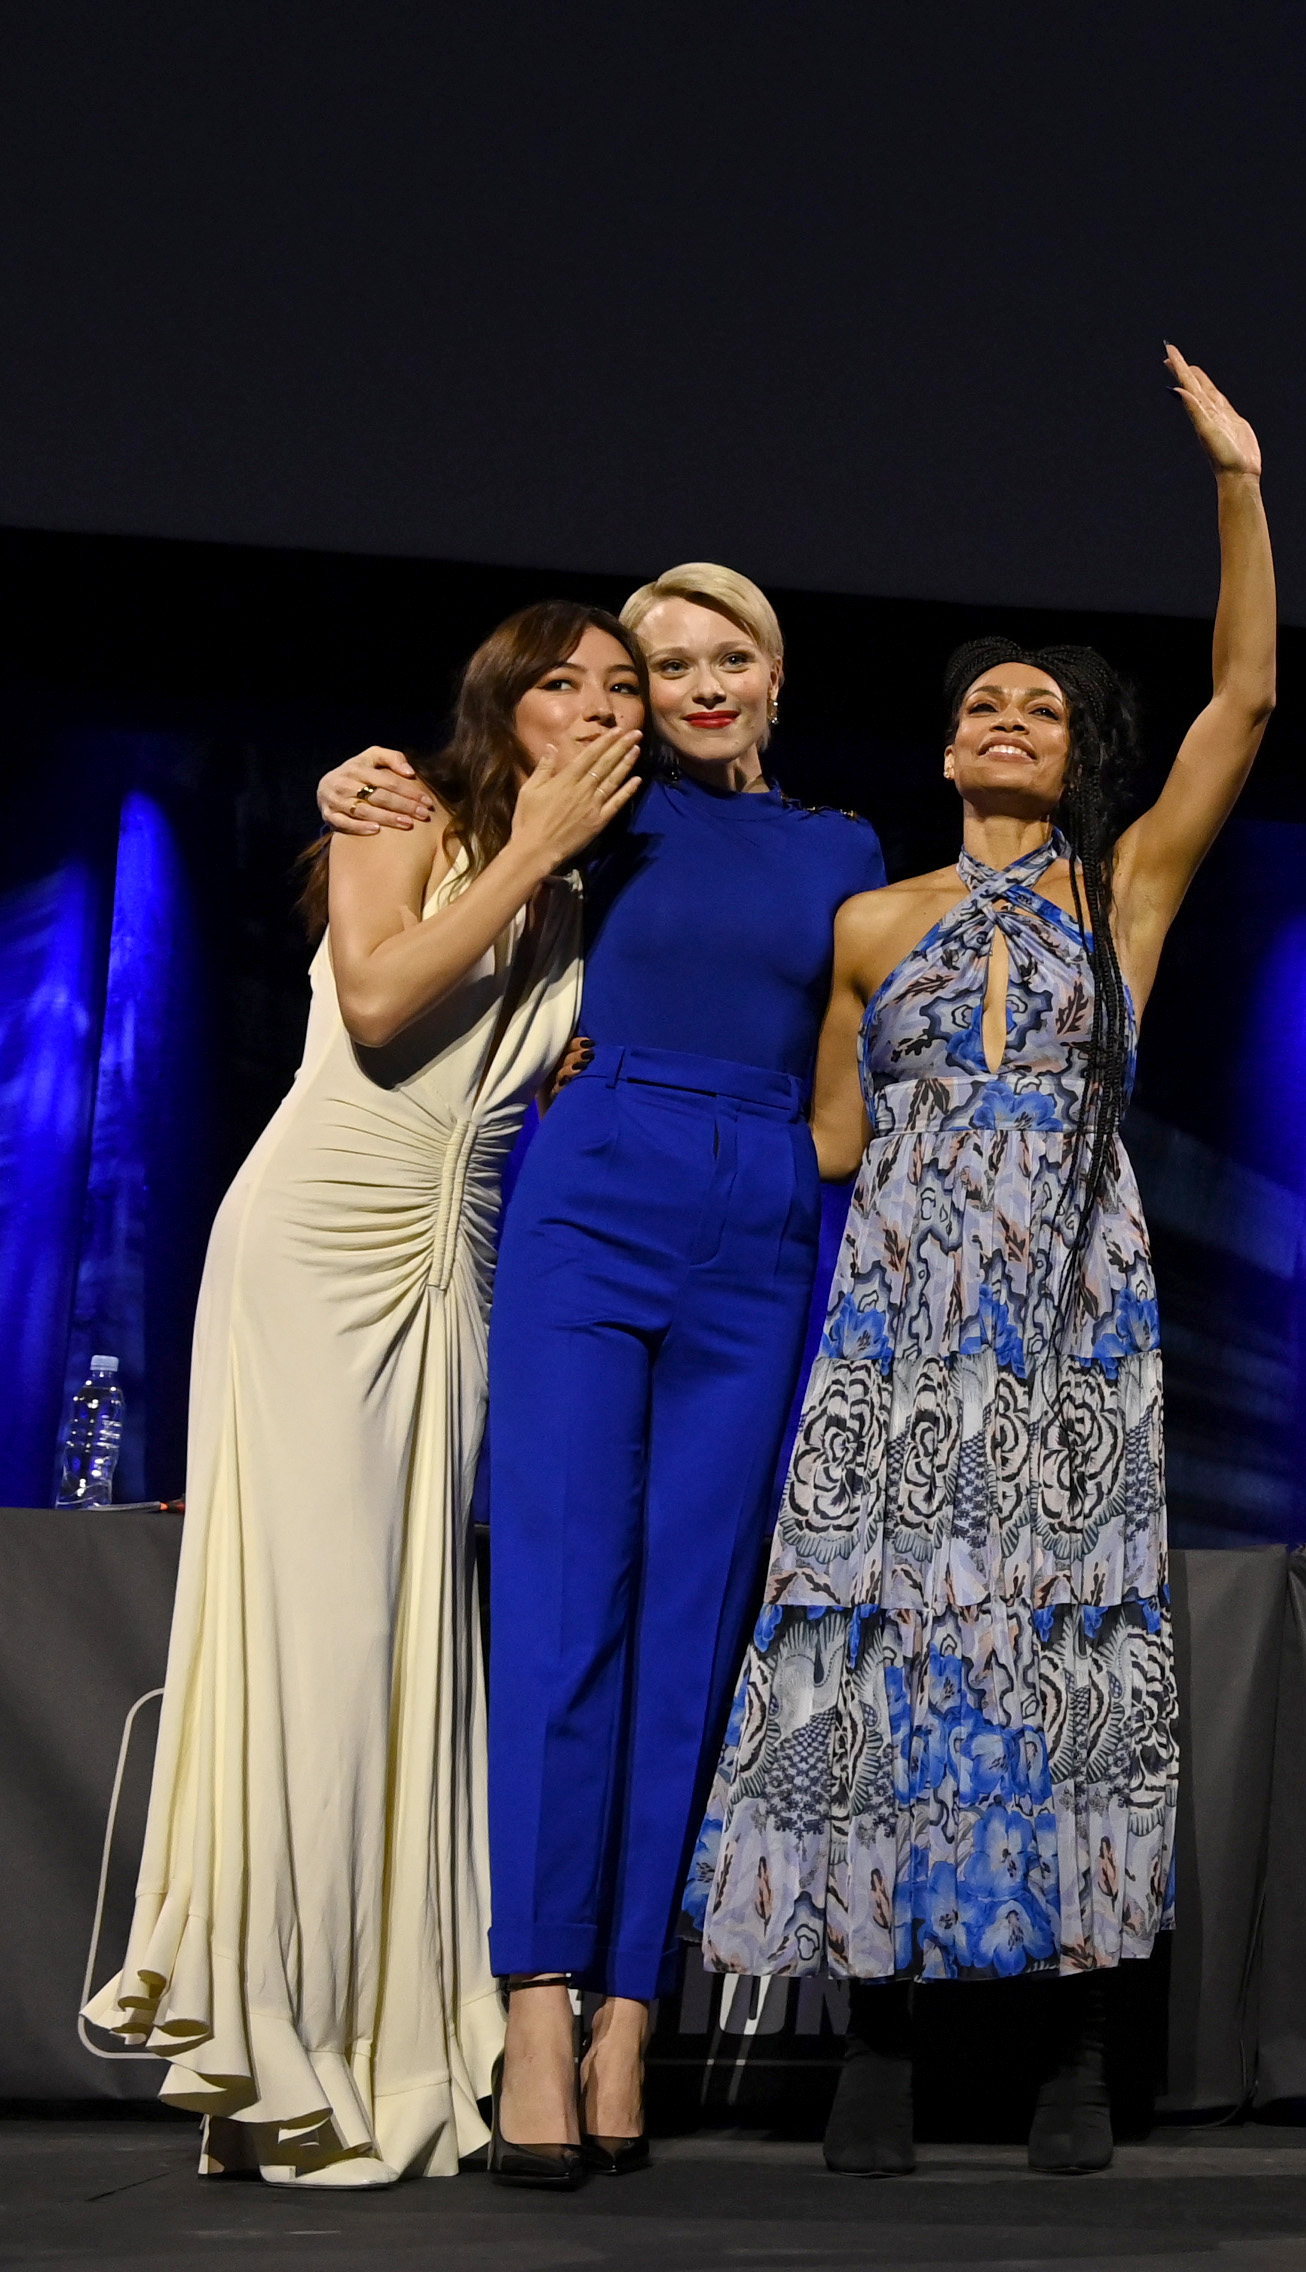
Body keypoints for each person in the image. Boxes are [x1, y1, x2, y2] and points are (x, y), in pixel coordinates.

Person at [683, 351, 1272, 2178]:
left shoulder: (1126, 893)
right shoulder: (868, 921)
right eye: (981, 703)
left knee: (1060, 1663)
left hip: (1068, 1330)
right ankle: (878, 2030)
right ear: (943, 751)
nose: (1009, 715)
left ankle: (1073, 2053)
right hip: (897, 1329)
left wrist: (1238, 483)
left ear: (1073, 751)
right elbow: (834, 1139)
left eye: (1040, 704)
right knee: (879, 1661)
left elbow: (1241, 699)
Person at [320, 552, 885, 2182]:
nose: (699, 685)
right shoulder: (590, 807)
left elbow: (846, 1088)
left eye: (731, 659)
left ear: (776, 679)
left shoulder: (842, 850)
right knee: (566, 1602)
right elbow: (428, 810)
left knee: (694, 1624)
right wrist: (353, 778)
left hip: (763, 1206)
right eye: (664, 664)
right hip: (596, 1184)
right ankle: (540, 2010)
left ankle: (638, 2009)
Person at [85, 604, 645, 2183]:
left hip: (455, 1262)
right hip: (323, 1236)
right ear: (502, 706)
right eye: (562, 683)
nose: (596, 706)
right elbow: (386, 1002)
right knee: (321, 1640)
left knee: (413, 1648)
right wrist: (527, 847)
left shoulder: (603, 880)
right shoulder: (408, 811)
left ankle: (393, 2037)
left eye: (621, 687)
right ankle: (281, 2050)